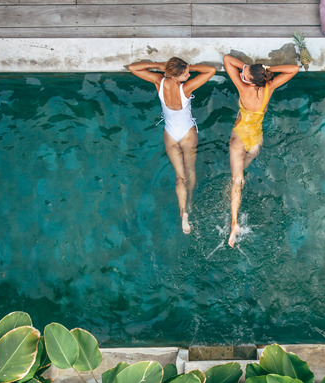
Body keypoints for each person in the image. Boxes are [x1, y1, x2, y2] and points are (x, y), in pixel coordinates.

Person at [128, 58, 216, 234]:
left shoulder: (159, 81)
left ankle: (182, 212)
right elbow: (211, 70)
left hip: (170, 134)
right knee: (190, 170)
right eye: (186, 73)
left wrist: (159, 66)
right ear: (177, 76)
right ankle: (189, 202)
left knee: (179, 177)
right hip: (187, 134)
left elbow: (133, 68)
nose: (189, 74)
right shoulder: (185, 88)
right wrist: (186, 67)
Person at [223, 54, 299, 247]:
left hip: (239, 138)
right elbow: (294, 69)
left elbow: (226, 59)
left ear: (249, 80)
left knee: (236, 181)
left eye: (245, 74)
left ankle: (234, 223)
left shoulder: (243, 87)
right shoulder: (269, 88)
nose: (242, 73)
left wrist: (246, 67)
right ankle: (234, 194)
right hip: (256, 142)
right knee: (239, 177)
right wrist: (267, 71)